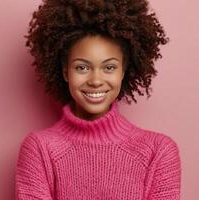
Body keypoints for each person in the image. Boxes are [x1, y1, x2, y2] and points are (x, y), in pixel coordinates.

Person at [14, 0, 182, 199]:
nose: (95, 80)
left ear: (123, 71)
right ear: (65, 72)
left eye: (109, 67)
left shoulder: (158, 151)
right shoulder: (40, 149)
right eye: (82, 67)